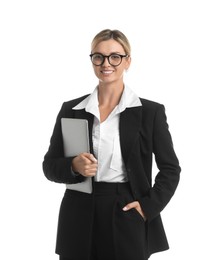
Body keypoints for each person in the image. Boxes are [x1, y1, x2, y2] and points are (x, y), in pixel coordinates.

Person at [42, 29, 181, 260]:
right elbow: (49, 166)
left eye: (115, 56)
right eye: (99, 56)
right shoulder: (71, 110)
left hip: (126, 209)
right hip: (78, 213)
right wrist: (73, 166)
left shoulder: (150, 112)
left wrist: (148, 207)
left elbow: (170, 169)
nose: (106, 63)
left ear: (128, 61)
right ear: (92, 60)